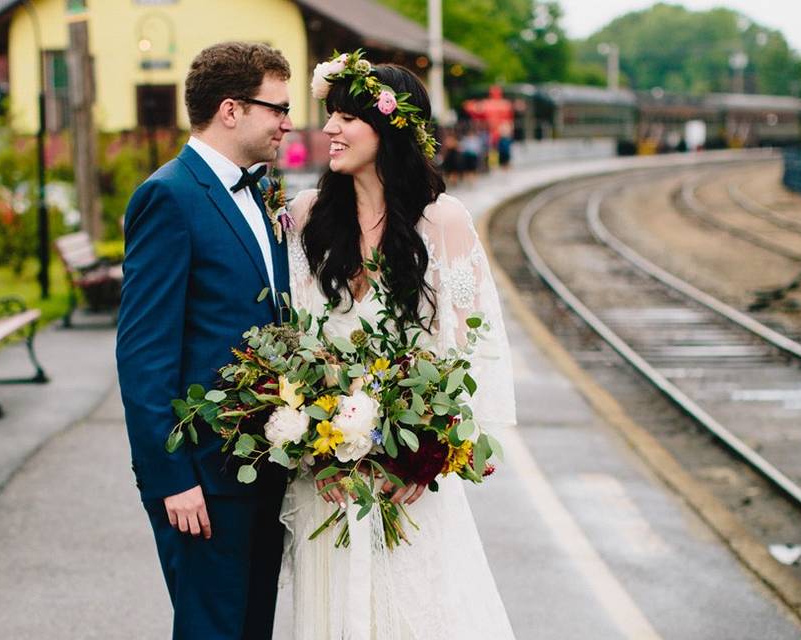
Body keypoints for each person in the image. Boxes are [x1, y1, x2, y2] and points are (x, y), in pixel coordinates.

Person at [280, 55, 517, 639]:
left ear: (392, 127)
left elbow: (471, 348)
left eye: (347, 117)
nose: (330, 128)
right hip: (327, 482)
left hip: (409, 481)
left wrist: (432, 451)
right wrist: (314, 447)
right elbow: (286, 340)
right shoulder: (305, 216)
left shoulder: (444, 221)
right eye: (329, 114)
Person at [116, 41, 293, 640]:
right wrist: (172, 479)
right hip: (202, 480)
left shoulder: (261, 190)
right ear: (231, 109)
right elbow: (144, 354)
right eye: (277, 107)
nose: (288, 122)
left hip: (259, 468)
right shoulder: (169, 196)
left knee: (251, 628)